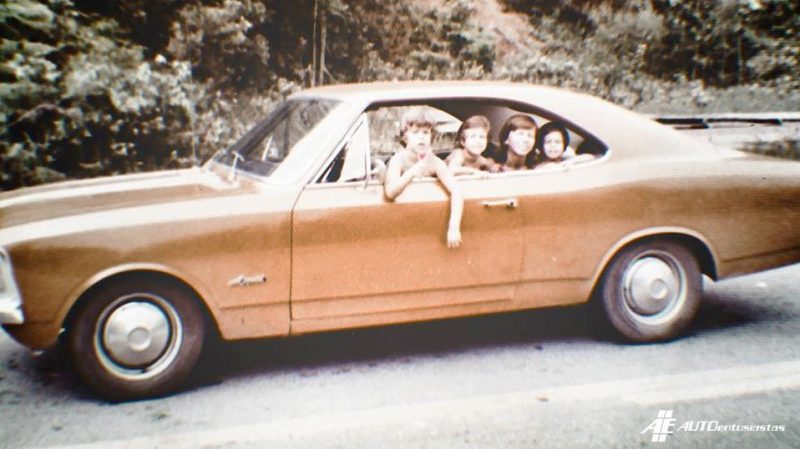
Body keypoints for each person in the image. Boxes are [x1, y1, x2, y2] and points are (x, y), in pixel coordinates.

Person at [384, 107, 463, 248]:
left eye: (426, 132)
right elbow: (390, 193)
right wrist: (412, 172)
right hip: (401, 220)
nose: (421, 137)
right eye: (415, 132)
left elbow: (456, 191)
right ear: (405, 137)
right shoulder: (398, 160)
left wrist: (453, 227)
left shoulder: (434, 162)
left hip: (426, 221)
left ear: (431, 136)